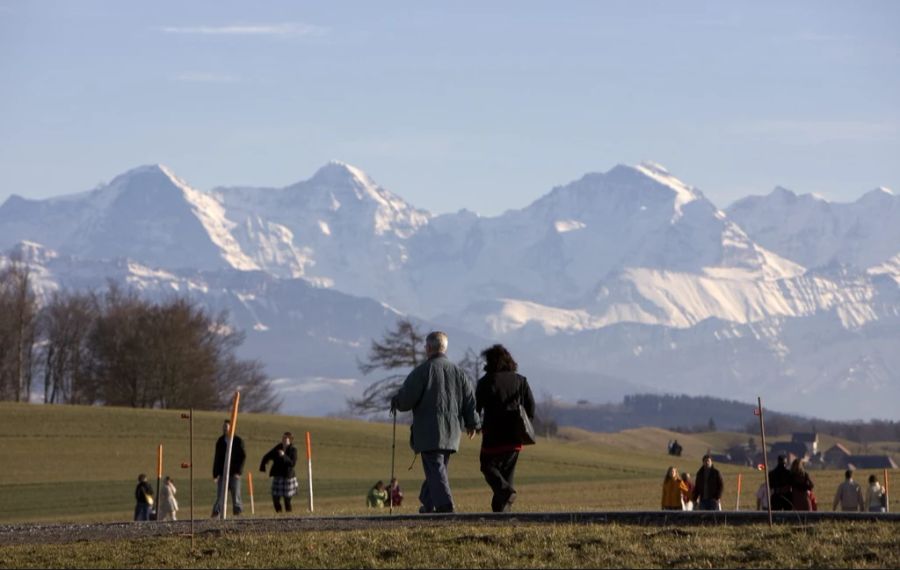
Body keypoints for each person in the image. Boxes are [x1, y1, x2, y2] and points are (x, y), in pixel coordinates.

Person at [392, 330, 480, 514]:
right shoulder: (459, 373)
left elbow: (407, 400)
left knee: (436, 468)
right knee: (438, 468)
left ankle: (445, 506)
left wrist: (397, 401)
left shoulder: (423, 371)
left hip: (430, 431)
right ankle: (429, 503)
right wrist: (473, 423)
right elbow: (469, 400)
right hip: (452, 431)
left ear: (429, 348)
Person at [475, 344, 536, 513]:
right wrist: (525, 425)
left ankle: (506, 493)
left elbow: (476, 408)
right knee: (507, 476)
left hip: (493, 436)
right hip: (514, 437)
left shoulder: (485, 382)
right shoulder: (520, 380)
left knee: (487, 467)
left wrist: (473, 425)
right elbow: (531, 406)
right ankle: (501, 513)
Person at [212, 418, 246, 518]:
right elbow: (217, 458)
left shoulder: (238, 441)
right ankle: (216, 513)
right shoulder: (220, 441)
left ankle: (237, 513)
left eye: (226, 427)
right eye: (224, 427)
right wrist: (215, 473)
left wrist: (238, 472)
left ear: (232, 428)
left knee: (236, 495)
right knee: (220, 495)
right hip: (222, 473)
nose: (225, 429)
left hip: (234, 473)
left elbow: (242, 457)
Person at [259, 432, 299, 513]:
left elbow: (292, 463)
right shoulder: (278, 447)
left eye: (286, 439)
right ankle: (279, 512)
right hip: (278, 476)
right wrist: (263, 465)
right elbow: (268, 455)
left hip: (288, 477)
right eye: (283, 438)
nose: (284, 440)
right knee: (275, 497)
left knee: (287, 500)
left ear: (290, 440)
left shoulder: (293, 450)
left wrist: (284, 456)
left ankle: (288, 516)